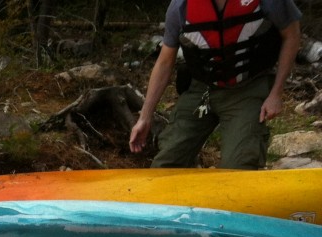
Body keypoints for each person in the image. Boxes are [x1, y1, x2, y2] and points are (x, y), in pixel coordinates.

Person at [129, 0, 302, 169]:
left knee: (238, 168)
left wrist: (276, 94)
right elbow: (165, 62)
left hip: (247, 88)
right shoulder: (180, 6)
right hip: (202, 89)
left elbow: (292, 36)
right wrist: (145, 117)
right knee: (167, 162)